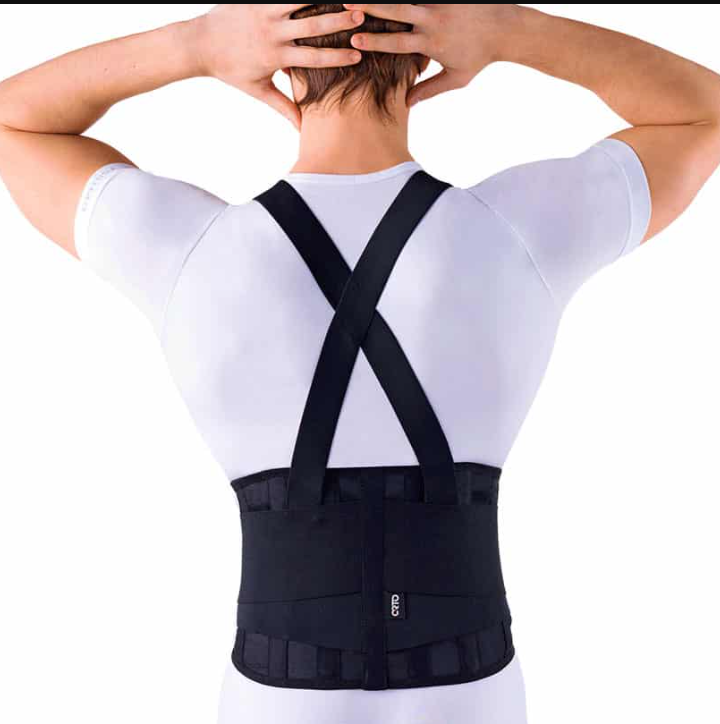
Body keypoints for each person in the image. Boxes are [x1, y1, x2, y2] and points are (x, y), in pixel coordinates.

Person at [1, 4, 718, 724]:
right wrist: (504, 31)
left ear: (283, 58)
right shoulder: (518, 231)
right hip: (473, 694)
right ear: (423, 51)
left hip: (274, 701)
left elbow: (15, 121)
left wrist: (199, 44)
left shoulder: (189, 250)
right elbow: (703, 112)